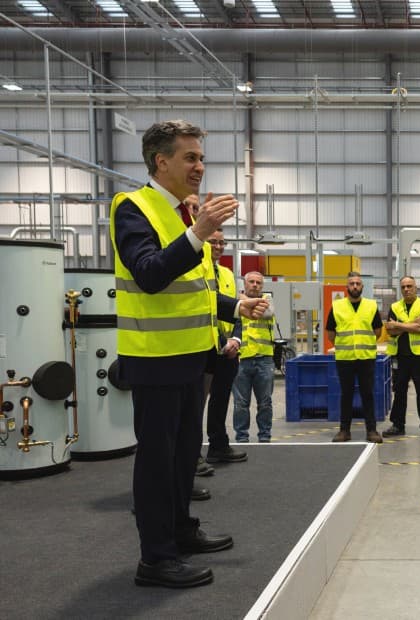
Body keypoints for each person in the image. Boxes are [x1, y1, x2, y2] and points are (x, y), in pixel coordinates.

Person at [113, 119, 269, 588]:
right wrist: (199, 231)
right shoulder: (132, 208)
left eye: (201, 157)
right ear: (161, 161)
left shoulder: (183, 213)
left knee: (183, 457)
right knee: (157, 462)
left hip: (191, 357)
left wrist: (235, 304)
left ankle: (180, 532)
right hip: (155, 358)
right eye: (190, 157)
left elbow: (195, 289)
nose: (200, 166)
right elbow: (150, 275)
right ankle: (155, 558)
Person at [200, 227, 247, 463]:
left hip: (228, 351)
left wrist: (235, 340)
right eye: (213, 242)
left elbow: (235, 311)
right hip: (205, 347)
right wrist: (221, 342)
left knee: (221, 401)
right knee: (196, 404)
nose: (218, 247)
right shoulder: (195, 270)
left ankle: (218, 446)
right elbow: (204, 309)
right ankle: (191, 455)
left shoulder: (228, 274)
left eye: (222, 243)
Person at [327, 271, 383, 444]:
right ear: (347, 287)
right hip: (345, 358)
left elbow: (378, 331)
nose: (355, 286)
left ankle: (371, 430)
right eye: (351, 284)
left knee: (368, 394)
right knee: (346, 394)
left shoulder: (371, 306)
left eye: (358, 284)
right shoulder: (337, 306)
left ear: (362, 287)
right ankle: (344, 431)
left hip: (366, 357)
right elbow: (330, 334)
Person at [383, 276, 420, 440]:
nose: (406, 289)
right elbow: (390, 330)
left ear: (415, 288)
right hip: (400, 356)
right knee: (399, 391)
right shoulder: (394, 306)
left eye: (409, 286)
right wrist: (410, 325)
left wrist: (398, 325)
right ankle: (398, 425)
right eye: (403, 287)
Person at [233, 271, 277, 443]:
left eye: (258, 283)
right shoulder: (237, 303)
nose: (255, 285)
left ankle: (264, 437)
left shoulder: (268, 300)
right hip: (241, 360)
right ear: (245, 284)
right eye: (251, 282)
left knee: (265, 403)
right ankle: (242, 438)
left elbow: (266, 313)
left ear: (262, 286)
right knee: (240, 404)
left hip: (264, 359)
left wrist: (241, 300)